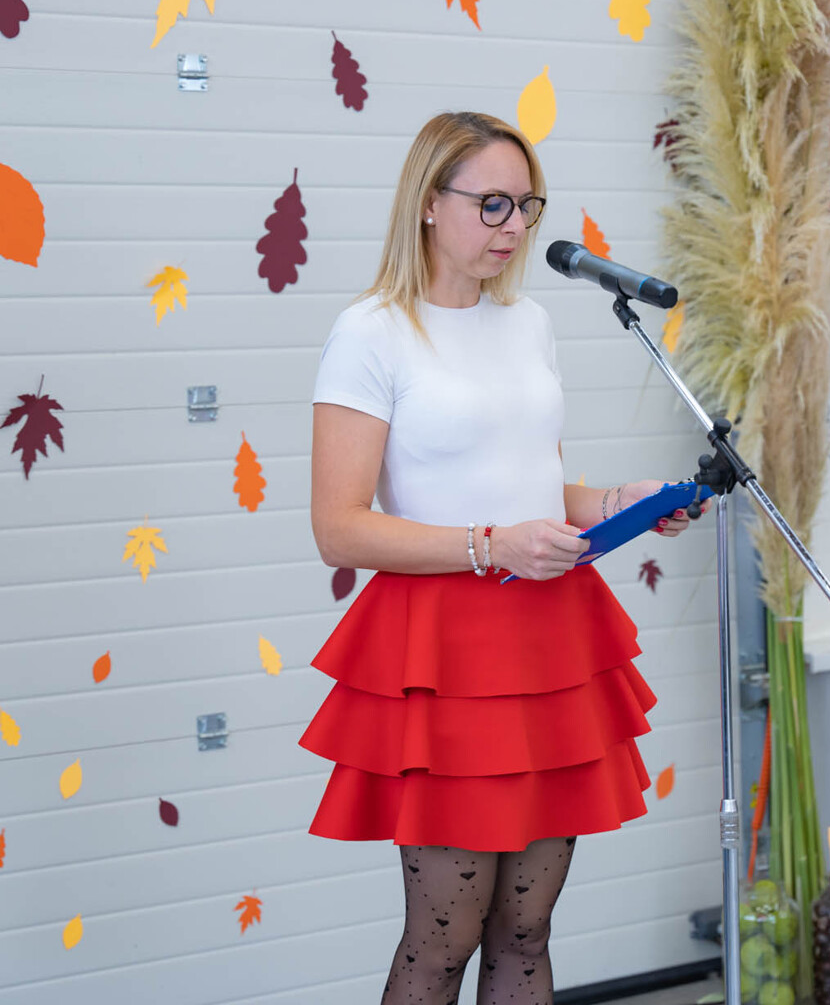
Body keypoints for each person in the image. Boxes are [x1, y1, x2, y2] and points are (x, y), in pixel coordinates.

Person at [300, 110, 709, 1005]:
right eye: (492, 204)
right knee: (442, 939)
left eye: (527, 205)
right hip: (445, 649)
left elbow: (534, 488)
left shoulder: (528, 324)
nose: (515, 226)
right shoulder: (370, 333)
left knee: (527, 931)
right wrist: (491, 546)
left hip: (547, 637)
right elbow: (340, 528)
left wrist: (620, 502)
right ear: (427, 202)